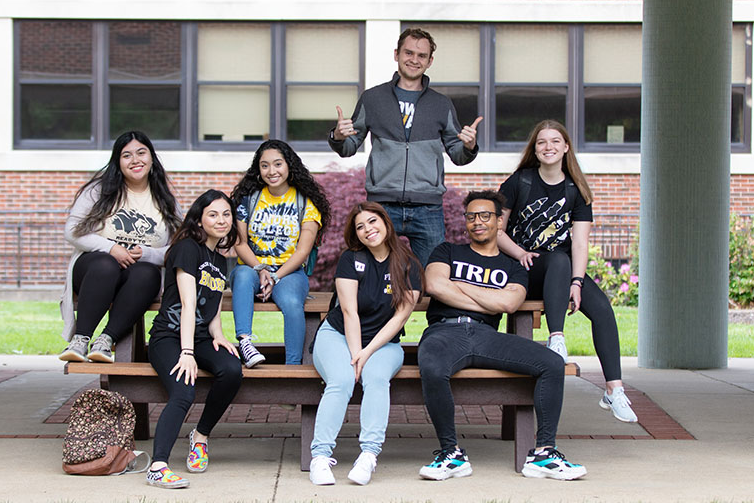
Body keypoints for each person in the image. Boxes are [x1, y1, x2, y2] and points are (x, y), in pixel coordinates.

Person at [418, 190, 586, 481]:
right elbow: (434, 285)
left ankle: (544, 453)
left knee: (552, 363)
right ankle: (451, 454)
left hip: (485, 336)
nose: (477, 222)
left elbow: (509, 304)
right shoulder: (447, 251)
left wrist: (457, 286)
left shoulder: (513, 267)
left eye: (485, 215)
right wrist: (489, 297)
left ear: (498, 221)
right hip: (443, 331)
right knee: (432, 366)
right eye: (471, 216)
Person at [496, 119, 637, 422]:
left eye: (555, 141)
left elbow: (580, 245)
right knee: (557, 259)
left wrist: (577, 283)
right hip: (523, 268)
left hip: (561, 272)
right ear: (535, 149)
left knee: (601, 307)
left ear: (566, 148)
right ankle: (556, 338)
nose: (549, 147)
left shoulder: (576, 190)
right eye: (542, 142)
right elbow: (497, 231)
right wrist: (521, 252)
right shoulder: (520, 181)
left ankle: (614, 390)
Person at [328, 27, 482, 267]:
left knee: (433, 278)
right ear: (396, 54)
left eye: (421, 56)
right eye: (408, 53)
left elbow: (457, 154)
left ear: (430, 61)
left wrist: (469, 146)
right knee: (373, 276)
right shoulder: (373, 98)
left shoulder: (441, 104)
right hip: (382, 205)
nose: (414, 60)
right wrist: (337, 136)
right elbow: (349, 147)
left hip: (427, 208)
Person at [309, 202, 423, 486]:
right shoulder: (351, 259)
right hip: (337, 334)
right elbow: (349, 312)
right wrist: (355, 353)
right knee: (341, 379)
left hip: (384, 344)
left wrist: (367, 353)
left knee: (376, 378)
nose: (367, 230)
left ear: (386, 223)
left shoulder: (409, 264)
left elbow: (399, 319)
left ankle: (368, 455)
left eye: (372, 222)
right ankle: (320, 457)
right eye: (360, 226)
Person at [145, 189, 243, 489]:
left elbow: (210, 304)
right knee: (184, 392)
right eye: (213, 214)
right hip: (169, 337)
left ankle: (200, 436)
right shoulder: (187, 249)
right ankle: (158, 466)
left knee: (232, 370)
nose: (221, 220)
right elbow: (188, 303)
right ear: (199, 219)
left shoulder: (220, 258)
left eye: (226, 214)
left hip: (199, 336)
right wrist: (186, 352)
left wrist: (220, 335)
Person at [58, 131, 181, 363]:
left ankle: (105, 341)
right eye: (127, 155)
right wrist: (112, 248)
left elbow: (179, 246)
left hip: (137, 277)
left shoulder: (165, 199)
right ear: (118, 162)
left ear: (152, 158)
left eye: (141, 153)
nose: (135, 160)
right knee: (106, 265)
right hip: (94, 271)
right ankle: (81, 340)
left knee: (147, 273)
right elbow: (72, 230)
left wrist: (149, 254)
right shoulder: (98, 191)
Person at [229, 140, 332, 366]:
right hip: (251, 267)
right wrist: (261, 268)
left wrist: (276, 275)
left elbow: (303, 250)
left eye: (278, 164)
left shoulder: (305, 202)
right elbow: (240, 242)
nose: (271, 171)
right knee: (244, 276)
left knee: (292, 303)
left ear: (289, 165)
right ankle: (245, 343)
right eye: (264, 165)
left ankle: (292, 367)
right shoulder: (248, 199)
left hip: (290, 272)